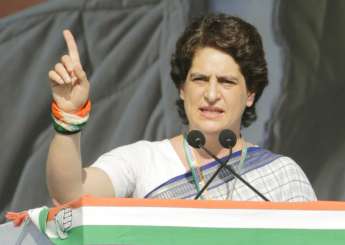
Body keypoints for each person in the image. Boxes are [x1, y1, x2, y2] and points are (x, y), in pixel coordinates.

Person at [47, 13, 316, 204]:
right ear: (182, 88)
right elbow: (70, 195)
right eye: (200, 79)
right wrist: (69, 115)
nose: (211, 94)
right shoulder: (143, 161)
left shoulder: (282, 176)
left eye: (226, 81)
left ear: (250, 94)